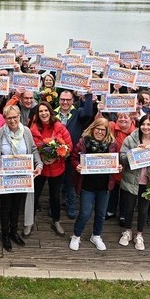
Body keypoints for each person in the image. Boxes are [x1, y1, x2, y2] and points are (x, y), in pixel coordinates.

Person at [0, 105, 43, 250]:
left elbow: (32, 149)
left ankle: (14, 231)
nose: (12, 120)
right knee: (5, 206)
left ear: (19, 116)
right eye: (9, 118)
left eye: (15, 117)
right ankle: (5, 234)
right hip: (5, 177)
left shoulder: (26, 131)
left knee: (16, 206)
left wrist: (39, 165)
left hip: (22, 177)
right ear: (5, 118)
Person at [68, 117, 121, 251]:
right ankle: (76, 235)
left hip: (105, 185)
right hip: (87, 184)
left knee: (101, 213)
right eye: (98, 129)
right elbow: (73, 158)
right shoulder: (83, 142)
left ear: (107, 131)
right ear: (93, 128)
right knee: (85, 213)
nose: (100, 132)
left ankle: (96, 235)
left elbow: (117, 161)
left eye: (103, 130)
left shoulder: (112, 144)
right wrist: (77, 166)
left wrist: (119, 167)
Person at [119, 115, 150, 250]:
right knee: (128, 207)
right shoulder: (130, 139)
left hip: (148, 181)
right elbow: (122, 158)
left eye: (149, 124)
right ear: (139, 125)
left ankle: (139, 234)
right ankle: (127, 231)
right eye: (143, 124)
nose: (146, 127)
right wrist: (134, 153)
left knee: (143, 209)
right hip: (131, 179)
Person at [29, 101, 73, 237]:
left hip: (57, 168)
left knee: (55, 196)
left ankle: (56, 220)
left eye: (46, 110)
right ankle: (29, 221)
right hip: (39, 169)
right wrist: (41, 159)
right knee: (34, 195)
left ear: (50, 112)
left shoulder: (60, 127)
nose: (43, 113)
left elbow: (69, 146)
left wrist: (57, 156)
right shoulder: (33, 129)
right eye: (40, 111)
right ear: (37, 114)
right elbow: (30, 148)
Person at [56, 90, 93, 220]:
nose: (65, 102)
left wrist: (88, 96)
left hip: (72, 154)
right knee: (57, 182)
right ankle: (53, 206)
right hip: (56, 155)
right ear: (59, 100)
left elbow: (88, 113)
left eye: (68, 100)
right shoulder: (53, 114)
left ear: (72, 101)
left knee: (70, 181)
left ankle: (71, 206)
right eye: (62, 99)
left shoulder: (77, 113)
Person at [106, 112, 136, 225]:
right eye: (120, 117)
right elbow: (99, 123)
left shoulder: (136, 132)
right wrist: (100, 111)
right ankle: (110, 210)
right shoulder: (112, 126)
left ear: (131, 119)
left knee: (125, 191)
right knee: (113, 189)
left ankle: (123, 214)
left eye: (126, 117)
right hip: (114, 165)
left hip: (128, 166)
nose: (123, 119)